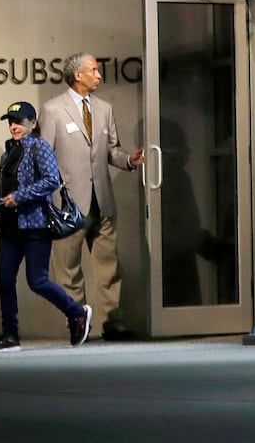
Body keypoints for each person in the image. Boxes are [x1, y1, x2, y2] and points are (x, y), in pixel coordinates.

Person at [38, 52, 145, 340]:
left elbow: (112, 150)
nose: (98, 75)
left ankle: (113, 322)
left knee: (109, 267)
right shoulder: (53, 110)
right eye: (93, 70)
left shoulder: (104, 108)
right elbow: (43, 158)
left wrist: (129, 161)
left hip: (102, 201)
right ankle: (77, 320)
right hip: (67, 204)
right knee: (68, 270)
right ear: (77, 75)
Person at [0, 100, 93, 353]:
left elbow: (51, 180)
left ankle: (77, 312)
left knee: (37, 280)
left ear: (33, 123)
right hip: (10, 225)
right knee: (4, 280)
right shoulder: (8, 152)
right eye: (11, 122)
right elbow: (6, 185)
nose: (14, 126)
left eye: (20, 121)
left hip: (35, 224)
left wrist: (19, 197)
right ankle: (10, 336)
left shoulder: (39, 147)